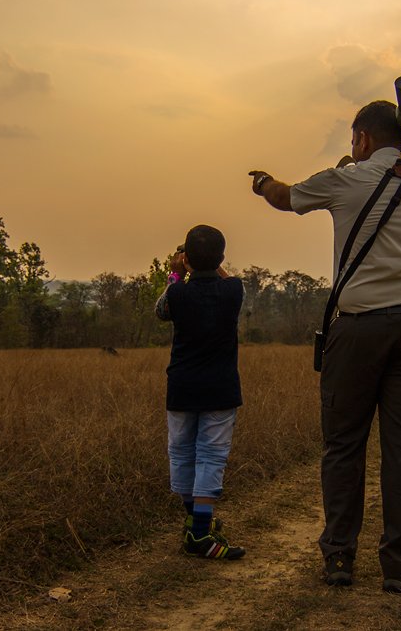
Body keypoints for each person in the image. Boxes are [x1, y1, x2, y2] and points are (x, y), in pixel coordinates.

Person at [246, 100, 401, 592]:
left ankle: (339, 558)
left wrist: (261, 181)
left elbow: (285, 197)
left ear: (361, 138)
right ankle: (397, 565)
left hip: (356, 330)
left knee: (344, 446)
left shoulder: (345, 181)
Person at [155, 224, 246, 560]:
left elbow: (161, 311)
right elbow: (224, 278)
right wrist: (205, 264)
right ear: (222, 258)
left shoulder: (177, 293)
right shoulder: (234, 290)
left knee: (182, 453)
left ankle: (196, 523)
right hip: (220, 388)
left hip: (182, 386)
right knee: (211, 455)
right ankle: (199, 532)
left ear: (187, 258)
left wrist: (177, 273)